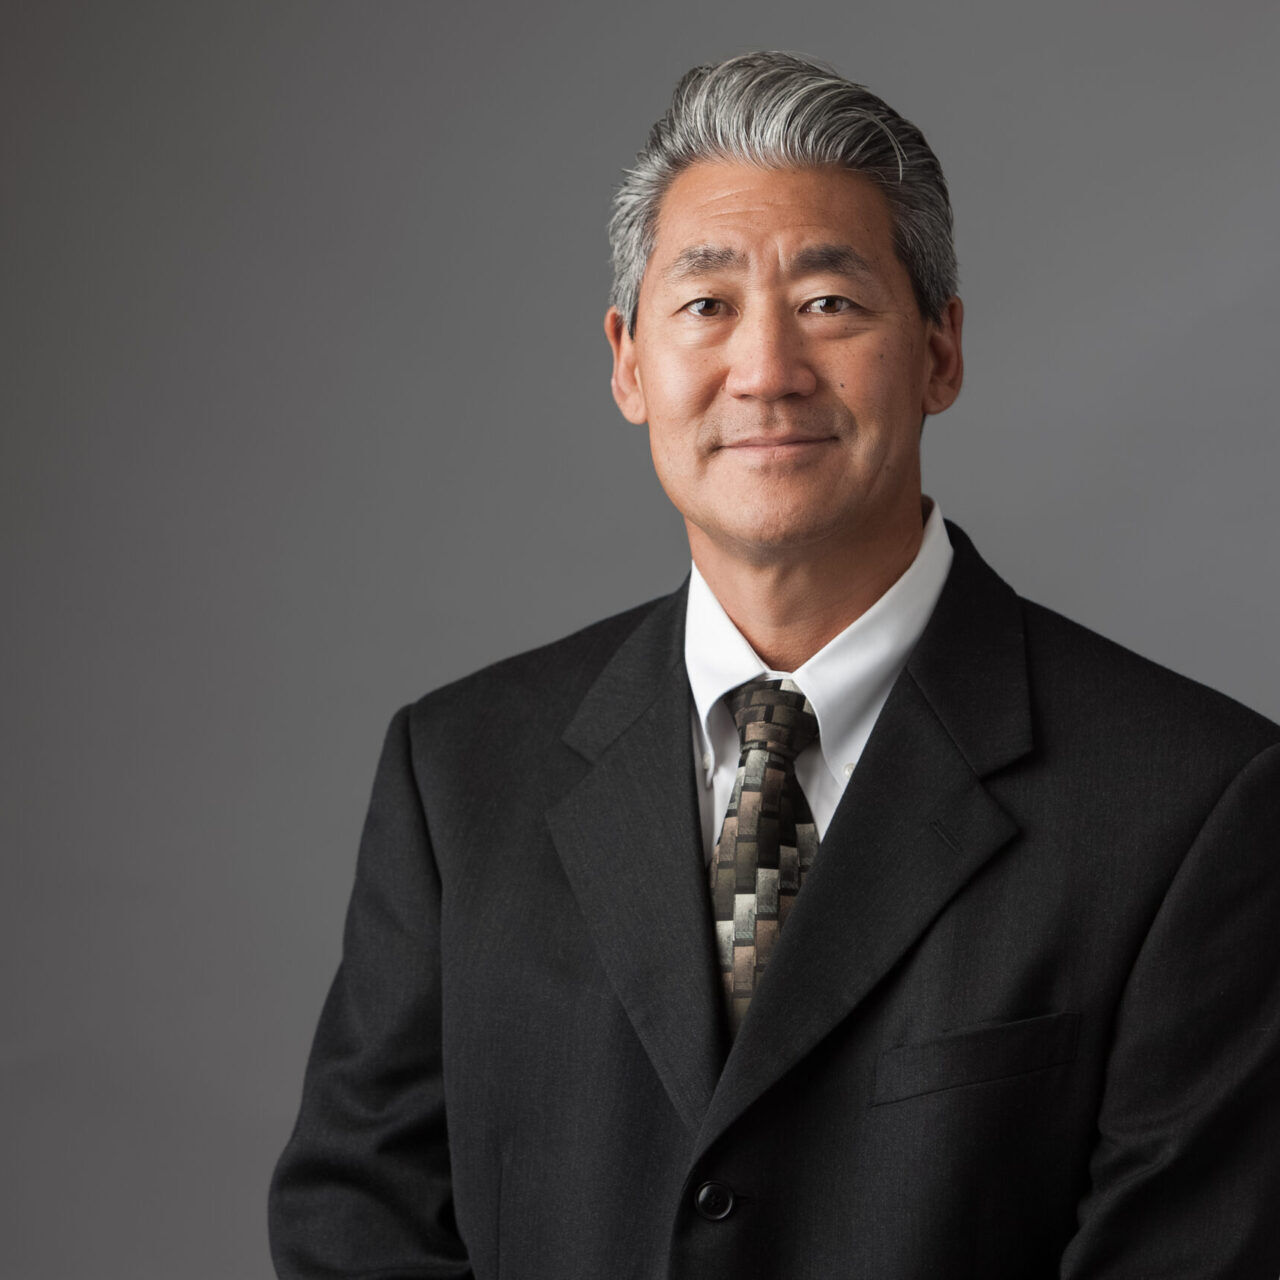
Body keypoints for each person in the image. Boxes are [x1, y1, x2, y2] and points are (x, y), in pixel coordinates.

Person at [268, 52, 1280, 1278]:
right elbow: (356, 1217)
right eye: (704, 305)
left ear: (940, 350)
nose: (765, 370)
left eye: (828, 303)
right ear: (629, 362)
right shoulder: (458, 771)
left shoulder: (1192, 803)